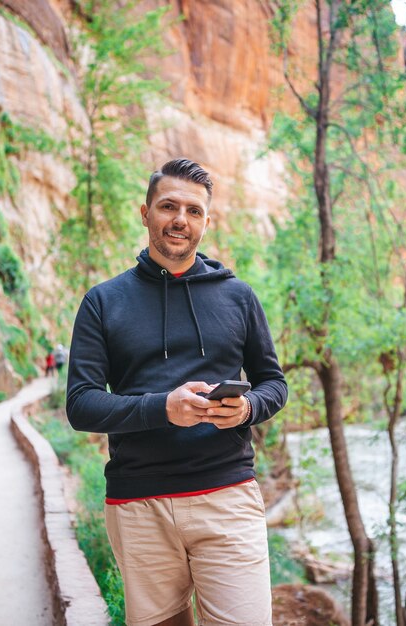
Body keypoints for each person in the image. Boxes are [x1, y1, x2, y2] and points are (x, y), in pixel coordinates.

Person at [66, 158, 288, 626]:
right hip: (137, 502)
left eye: (193, 210)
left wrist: (247, 407)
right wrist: (162, 408)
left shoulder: (238, 296)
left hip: (227, 494)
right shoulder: (102, 301)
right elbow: (81, 403)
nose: (179, 220)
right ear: (144, 213)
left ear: (207, 220)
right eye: (168, 206)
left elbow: (275, 384)